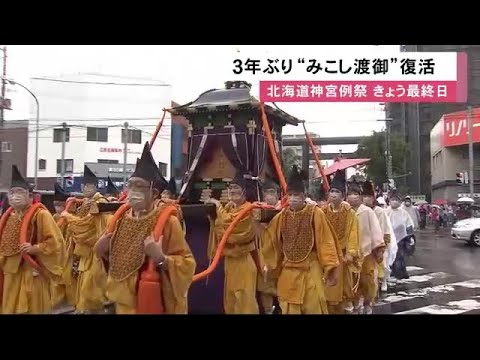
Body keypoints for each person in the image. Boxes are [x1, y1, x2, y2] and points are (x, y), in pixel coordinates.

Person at [95, 142, 196, 314]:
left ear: (154, 193)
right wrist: (102, 251)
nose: (132, 191)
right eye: (130, 185)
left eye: (139, 187)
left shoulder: (167, 222)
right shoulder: (118, 220)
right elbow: (118, 264)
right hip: (121, 304)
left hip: (153, 302)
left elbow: (187, 264)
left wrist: (161, 258)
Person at [258, 165, 339, 314]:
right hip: (288, 272)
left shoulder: (315, 213)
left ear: (304, 195)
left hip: (310, 270)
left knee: (314, 306)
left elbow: (325, 241)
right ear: (286, 196)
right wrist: (268, 262)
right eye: (291, 195)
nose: (294, 199)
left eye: (297, 195)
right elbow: (270, 238)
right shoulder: (282, 216)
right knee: (289, 307)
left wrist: (330, 266)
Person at [0, 165, 65, 313]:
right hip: (10, 272)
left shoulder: (41, 215)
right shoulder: (8, 217)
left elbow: (55, 242)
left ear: (30, 196)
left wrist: (35, 248)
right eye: (12, 193)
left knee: (33, 308)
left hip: (31, 271)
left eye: (20, 193)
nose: (15, 196)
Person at [61, 165, 112, 313]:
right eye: (84, 185)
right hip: (85, 252)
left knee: (92, 287)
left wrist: (67, 216)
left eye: (90, 186)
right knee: (83, 284)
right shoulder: (85, 202)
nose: (86, 188)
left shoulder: (100, 203)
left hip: (96, 250)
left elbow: (84, 225)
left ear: (96, 187)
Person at [207, 171, 259, 314]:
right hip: (230, 262)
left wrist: (218, 205)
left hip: (243, 262)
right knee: (230, 299)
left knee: (244, 301)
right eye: (231, 188)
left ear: (244, 191)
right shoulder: (229, 207)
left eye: (237, 188)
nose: (233, 191)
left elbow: (228, 224)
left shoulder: (248, 208)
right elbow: (220, 225)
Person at [322, 170, 360, 314]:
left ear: (343, 196)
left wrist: (350, 253)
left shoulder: (349, 213)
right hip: (328, 255)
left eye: (337, 192)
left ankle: (347, 308)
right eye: (331, 191)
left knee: (344, 287)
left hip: (343, 256)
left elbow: (353, 233)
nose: (333, 195)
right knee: (328, 287)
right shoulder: (323, 212)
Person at [346, 183, 385, 315]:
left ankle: (368, 304)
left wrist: (378, 249)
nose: (352, 197)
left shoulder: (367, 211)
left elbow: (375, 230)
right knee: (352, 281)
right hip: (350, 254)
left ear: (360, 197)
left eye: (355, 194)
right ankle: (355, 304)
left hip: (366, 252)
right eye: (350, 194)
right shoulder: (344, 211)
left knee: (367, 281)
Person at [362, 180, 392, 293]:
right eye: (364, 196)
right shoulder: (359, 210)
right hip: (365, 242)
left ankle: (383, 280)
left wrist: (384, 243)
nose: (366, 199)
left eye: (369, 196)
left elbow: (384, 228)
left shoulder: (379, 211)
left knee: (382, 263)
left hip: (378, 241)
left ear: (373, 198)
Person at [257, 179, 281, 314]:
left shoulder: (284, 208)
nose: (269, 196)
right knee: (264, 284)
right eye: (266, 193)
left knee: (282, 284)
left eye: (272, 193)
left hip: (280, 251)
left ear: (278, 195)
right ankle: (267, 310)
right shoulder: (258, 208)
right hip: (264, 250)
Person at [51, 182, 77, 308]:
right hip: (56, 254)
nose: (58, 208)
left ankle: (73, 304)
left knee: (69, 280)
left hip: (69, 253)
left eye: (60, 205)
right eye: (55, 205)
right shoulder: (54, 217)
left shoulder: (72, 217)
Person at [385, 190, 414, 281]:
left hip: (402, 238)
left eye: (396, 199)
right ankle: (392, 271)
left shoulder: (404, 213)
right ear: (389, 201)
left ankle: (400, 272)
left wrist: (411, 236)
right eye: (393, 199)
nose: (394, 201)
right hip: (389, 238)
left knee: (400, 256)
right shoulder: (386, 212)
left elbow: (409, 224)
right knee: (390, 255)